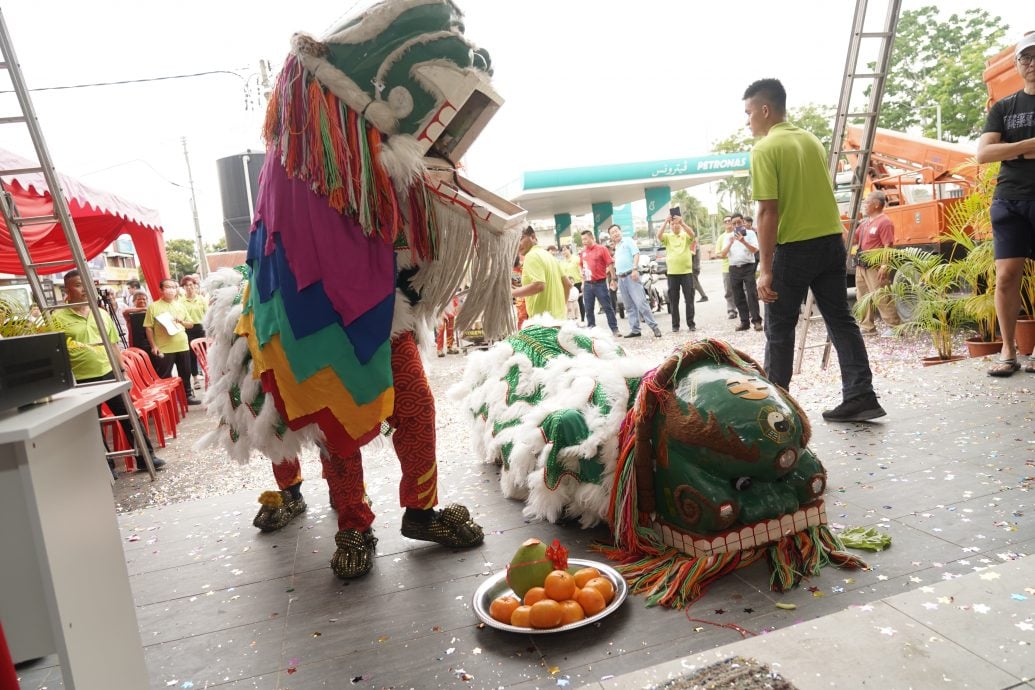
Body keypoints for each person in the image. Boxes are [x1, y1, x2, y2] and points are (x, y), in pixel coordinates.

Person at [744, 77, 885, 422]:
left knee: (779, 328)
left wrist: (765, 268)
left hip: (794, 250)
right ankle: (861, 394)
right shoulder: (810, 141)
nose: (747, 120)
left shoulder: (764, 149)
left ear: (765, 110)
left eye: (748, 113)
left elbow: (767, 211)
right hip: (831, 244)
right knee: (841, 320)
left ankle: (776, 414)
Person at [52, 270, 166, 476]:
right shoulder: (57, 317)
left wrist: (122, 370)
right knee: (92, 425)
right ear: (66, 289)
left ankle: (145, 457)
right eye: (78, 285)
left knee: (129, 416)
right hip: (80, 379)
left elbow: (113, 345)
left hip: (108, 372)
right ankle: (105, 466)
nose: (84, 288)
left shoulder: (101, 313)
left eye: (86, 284)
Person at [976, 32, 1035, 377]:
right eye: (1025, 58)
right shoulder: (1003, 107)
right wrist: (1028, 146)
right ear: (1016, 65)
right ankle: (1009, 350)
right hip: (1009, 199)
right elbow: (983, 153)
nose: (1031, 64)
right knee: (1006, 276)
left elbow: (996, 150)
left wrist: (1009, 148)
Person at [144, 278, 201, 406]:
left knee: (185, 373)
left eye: (173, 287)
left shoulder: (180, 305)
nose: (171, 290)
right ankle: (166, 400)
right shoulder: (153, 307)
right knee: (165, 376)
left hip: (182, 345)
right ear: (161, 290)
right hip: (164, 347)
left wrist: (181, 321)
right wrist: (154, 346)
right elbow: (148, 327)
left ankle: (187, 396)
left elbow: (190, 324)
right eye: (167, 287)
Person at [852, 191, 902, 335]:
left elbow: (888, 245)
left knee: (881, 296)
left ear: (876, 205)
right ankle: (867, 327)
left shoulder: (884, 222)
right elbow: (854, 240)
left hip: (875, 266)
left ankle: (894, 327)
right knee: (862, 297)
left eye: (867, 202)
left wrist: (885, 265)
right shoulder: (865, 223)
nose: (865, 205)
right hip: (861, 265)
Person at [608, 224, 662, 337]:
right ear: (611, 236)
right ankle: (635, 330)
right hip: (621, 278)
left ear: (620, 231)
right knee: (629, 306)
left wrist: (635, 269)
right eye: (612, 232)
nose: (615, 233)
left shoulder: (627, 241)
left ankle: (654, 327)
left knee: (641, 303)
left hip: (631, 275)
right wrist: (614, 278)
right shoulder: (616, 247)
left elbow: (636, 254)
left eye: (616, 230)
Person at [513, 226, 570, 319]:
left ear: (532, 236)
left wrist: (512, 293)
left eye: (521, 239)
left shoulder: (531, 256)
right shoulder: (549, 256)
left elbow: (539, 286)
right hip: (559, 320)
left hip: (542, 324)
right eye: (514, 241)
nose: (517, 244)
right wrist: (562, 308)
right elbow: (567, 284)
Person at [718, 215, 763, 331]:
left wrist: (743, 241)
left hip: (748, 267)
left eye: (739, 222)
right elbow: (722, 254)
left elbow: (755, 250)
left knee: (752, 294)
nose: (737, 225)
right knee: (738, 296)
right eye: (734, 223)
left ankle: (757, 321)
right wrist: (730, 243)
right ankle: (744, 322)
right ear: (732, 225)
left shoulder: (751, 234)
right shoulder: (728, 236)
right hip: (734, 268)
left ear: (743, 222)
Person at [656, 212, 697, 332]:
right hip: (672, 273)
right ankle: (675, 325)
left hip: (686, 272)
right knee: (674, 300)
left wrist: (682, 222)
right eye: (672, 224)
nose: (675, 226)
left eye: (677, 224)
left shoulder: (685, 235)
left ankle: (691, 323)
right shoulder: (668, 237)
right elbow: (659, 236)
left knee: (689, 299)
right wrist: (665, 221)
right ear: (670, 226)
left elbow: (692, 234)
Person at [579, 229, 621, 336]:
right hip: (588, 284)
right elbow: (581, 265)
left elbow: (610, 263)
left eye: (585, 239)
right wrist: (583, 280)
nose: (584, 241)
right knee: (588, 308)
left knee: (607, 307)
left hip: (600, 283)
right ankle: (591, 330)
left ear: (592, 237)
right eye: (582, 240)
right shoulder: (583, 252)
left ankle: (614, 329)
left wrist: (613, 279)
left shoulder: (602, 249)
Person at [180, 275, 208, 390]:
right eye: (186, 286)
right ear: (183, 287)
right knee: (191, 355)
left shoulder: (201, 299)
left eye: (191, 285)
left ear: (195, 286)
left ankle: (208, 375)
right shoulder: (181, 301)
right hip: (188, 329)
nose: (189, 288)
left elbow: (207, 314)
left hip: (201, 327)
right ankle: (195, 378)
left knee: (206, 353)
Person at [719, 216, 739, 319]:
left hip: (739, 265)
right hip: (727, 267)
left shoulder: (739, 233)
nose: (727, 223)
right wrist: (727, 253)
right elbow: (719, 253)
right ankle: (731, 310)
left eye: (729, 221)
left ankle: (746, 310)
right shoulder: (721, 237)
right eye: (725, 221)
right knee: (728, 291)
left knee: (742, 290)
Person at [561, 245, 585, 322]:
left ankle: (582, 319)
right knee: (569, 303)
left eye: (565, 250)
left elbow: (581, 271)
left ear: (569, 250)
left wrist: (582, 282)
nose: (564, 252)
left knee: (579, 302)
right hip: (567, 285)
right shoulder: (562, 262)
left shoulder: (576, 259)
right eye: (562, 251)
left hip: (577, 283)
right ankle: (572, 319)